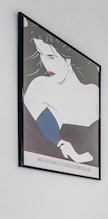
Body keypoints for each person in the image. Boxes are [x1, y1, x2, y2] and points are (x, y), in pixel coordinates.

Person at [22, 17, 99, 166]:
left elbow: (92, 154)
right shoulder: (40, 87)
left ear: (68, 60)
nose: (45, 63)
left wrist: (79, 156)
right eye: (41, 55)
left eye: (51, 56)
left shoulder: (93, 91)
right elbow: (45, 149)